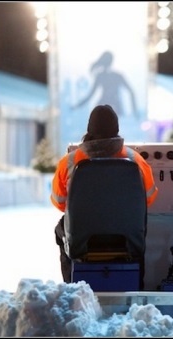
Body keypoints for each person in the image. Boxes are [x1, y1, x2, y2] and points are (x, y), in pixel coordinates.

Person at [50, 104, 158, 284]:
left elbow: (59, 202)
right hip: (126, 241)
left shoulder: (68, 162)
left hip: (83, 242)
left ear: (89, 130)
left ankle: (72, 288)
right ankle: (136, 289)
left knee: (60, 230)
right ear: (116, 130)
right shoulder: (135, 160)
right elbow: (148, 199)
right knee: (142, 228)